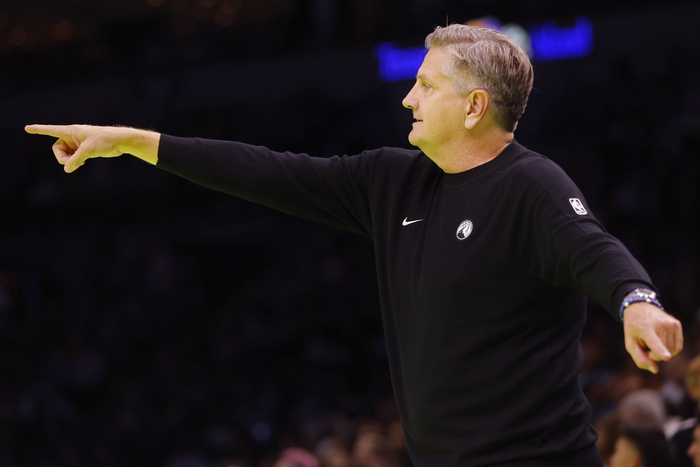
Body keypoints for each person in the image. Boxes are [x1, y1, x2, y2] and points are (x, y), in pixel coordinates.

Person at [25, 24, 683, 467]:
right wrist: (133, 142)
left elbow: (591, 246)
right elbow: (268, 172)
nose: (409, 98)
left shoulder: (532, 185)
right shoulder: (391, 180)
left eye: (427, 85)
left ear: (475, 106)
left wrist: (637, 302)